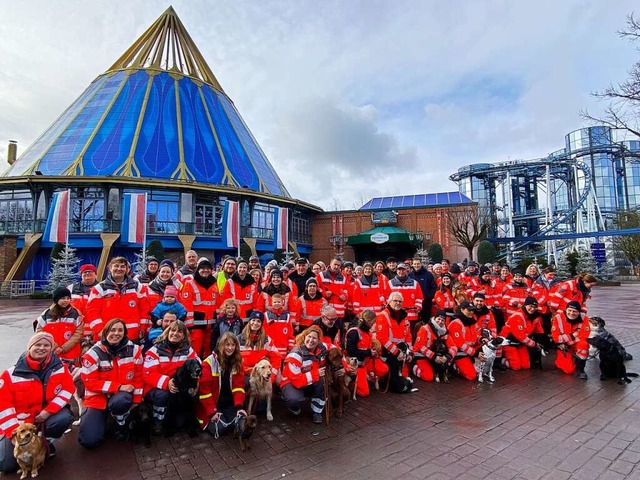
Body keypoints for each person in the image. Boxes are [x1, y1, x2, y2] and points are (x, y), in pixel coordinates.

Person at [0, 333, 75, 472]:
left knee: (64, 418)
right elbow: (3, 406)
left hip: (43, 417)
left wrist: (48, 411)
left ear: (51, 348)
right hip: (19, 423)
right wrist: (14, 434)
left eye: (46, 345)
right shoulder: (10, 374)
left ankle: (46, 444)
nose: (42, 348)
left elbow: (68, 389)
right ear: (29, 347)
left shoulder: (60, 368)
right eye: (38, 345)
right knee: (6, 465)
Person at [78, 319, 143, 448]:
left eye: (120, 330)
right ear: (105, 332)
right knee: (89, 441)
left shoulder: (135, 350)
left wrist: (136, 400)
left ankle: (120, 423)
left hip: (120, 397)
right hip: (97, 398)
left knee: (121, 401)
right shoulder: (92, 354)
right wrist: (118, 387)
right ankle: (104, 418)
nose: (116, 333)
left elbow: (138, 377)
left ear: (125, 333)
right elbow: (90, 382)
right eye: (112, 330)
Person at [143, 321, 199, 433]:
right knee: (163, 394)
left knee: (179, 424)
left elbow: (199, 368)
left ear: (184, 335)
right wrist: (167, 383)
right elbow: (148, 373)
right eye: (173, 330)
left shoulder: (188, 351)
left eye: (179, 331)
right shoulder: (155, 350)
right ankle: (157, 422)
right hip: (156, 389)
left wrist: (197, 383)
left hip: (178, 390)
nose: (175, 333)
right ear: (167, 332)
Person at [85, 256, 148, 342]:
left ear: (127, 269)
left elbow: (145, 309)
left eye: (122, 266)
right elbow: (91, 312)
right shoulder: (99, 288)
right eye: (116, 266)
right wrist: (100, 330)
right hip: (106, 336)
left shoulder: (138, 287)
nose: (119, 269)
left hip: (132, 336)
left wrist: (143, 328)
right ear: (110, 268)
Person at [198, 332, 248, 436]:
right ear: (221, 345)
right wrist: (212, 412)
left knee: (241, 421)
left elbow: (238, 387)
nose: (230, 348)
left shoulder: (237, 362)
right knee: (220, 429)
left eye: (233, 345)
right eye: (227, 345)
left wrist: (239, 407)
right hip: (213, 403)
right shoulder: (208, 363)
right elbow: (204, 392)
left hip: (228, 402)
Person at [280, 326, 327, 424]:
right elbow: (296, 380)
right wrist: (316, 374)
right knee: (294, 399)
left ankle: (316, 412)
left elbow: (336, 349)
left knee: (322, 381)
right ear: (304, 337)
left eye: (314, 338)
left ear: (319, 341)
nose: (311, 340)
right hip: (291, 382)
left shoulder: (322, 349)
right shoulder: (295, 354)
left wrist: (344, 367)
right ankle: (294, 407)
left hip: (308, 380)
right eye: (309, 337)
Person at [374, 292, 414, 393]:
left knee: (403, 378)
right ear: (389, 302)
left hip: (401, 352)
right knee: (395, 381)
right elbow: (382, 338)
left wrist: (410, 352)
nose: (398, 303)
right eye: (395, 301)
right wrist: (396, 352)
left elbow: (408, 336)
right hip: (387, 353)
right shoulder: (383, 316)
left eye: (400, 301)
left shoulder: (404, 316)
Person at [181, 258, 221, 359]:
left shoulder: (214, 283)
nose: (205, 270)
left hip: (211, 324)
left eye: (208, 268)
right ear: (198, 269)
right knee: (195, 350)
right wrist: (189, 325)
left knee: (209, 350)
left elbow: (217, 302)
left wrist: (218, 320)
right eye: (202, 268)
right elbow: (187, 305)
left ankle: (207, 370)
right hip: (196, 325)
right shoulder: (190, 283)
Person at [35, 286, 84, 365]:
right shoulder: (47, 314)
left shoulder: (76, 314)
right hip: (50, 353)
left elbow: (78, 334)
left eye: (68, 298)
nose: (66, 301)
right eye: (63, 298)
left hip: (70, 355)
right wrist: (54, 347)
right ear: (56, 299)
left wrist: (63, 348)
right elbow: (39, 331)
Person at [345, 310, 389, 397]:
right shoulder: (354, 332)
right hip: (357, 364)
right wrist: (369, 352)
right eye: (373, 322)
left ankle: (367, 378)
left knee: (383, 369)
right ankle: (353, 383)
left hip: (366, 360)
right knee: (364, 392)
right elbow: (351, 351)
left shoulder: (366, 331)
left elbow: (366, 346)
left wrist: (373, 351)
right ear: (368, 321)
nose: (373, 325)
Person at [499, 297, 544, 371]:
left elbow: (539, 331)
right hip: (509, 343)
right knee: (516, 367)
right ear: (525, 305)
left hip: (521, 344)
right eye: (530, 306)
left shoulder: (534, 316)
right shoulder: (518, 316)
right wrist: (534, 344)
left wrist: (540, 342)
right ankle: (500, 361)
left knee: (526, 366)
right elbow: (520, 336)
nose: (532, 309)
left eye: (534, 307)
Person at [551, 301, 591, 379]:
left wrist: (568, 342)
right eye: (569, 310)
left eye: (575, 311)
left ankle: (581, 369)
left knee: (584, 344)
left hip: (570, 344)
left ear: (579, 312)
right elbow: (556, 338)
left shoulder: (584, 318)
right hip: (563, 347)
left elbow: (583, 336)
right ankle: (560, 361)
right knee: (569, 370)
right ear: (566, 310)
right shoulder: (558, 318)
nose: (571, 313)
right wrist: (572, 336)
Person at [237, 311, 281, 379]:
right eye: (253, 320)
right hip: (243, 374)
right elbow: (234, 361)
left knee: (278, 377)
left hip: (262, 374)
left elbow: (276, 358)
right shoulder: (238, 339)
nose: (255, 323)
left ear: (261, 324)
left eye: (258, 321)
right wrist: (251, 371)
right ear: (249, 321)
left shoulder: (267, 340)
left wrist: (271, 377)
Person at [446, 300, 482, 381]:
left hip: (470, 352)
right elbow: (460, 344)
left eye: (472, 310)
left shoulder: (472, 321)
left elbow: (476, 336)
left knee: (480, 371)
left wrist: (482, 339)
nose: (471, 312)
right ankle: (454, 366)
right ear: (462, 309)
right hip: (459, 353)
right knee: (471, 376)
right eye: (469, 310)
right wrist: (475, 353)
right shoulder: (456, 323)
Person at [412, 311, 453, 382]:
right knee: (428, 377)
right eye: (438, 319)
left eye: (443, 320)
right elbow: (420, 346)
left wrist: (448, 356)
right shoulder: (424, 329)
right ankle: (412, 367)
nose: (440, 321)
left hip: (434, 357)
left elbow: (453, 346)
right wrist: (434, 356)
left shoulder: (444, 332)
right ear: (434, 318)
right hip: (421, 356)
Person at [262, 294, 295, 361]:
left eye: (279, 302)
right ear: (271, 303)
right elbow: (263, 332)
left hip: (283, 349)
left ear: (282, 302)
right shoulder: (266, 315)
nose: (277, 304)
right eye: (275, 302)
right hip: (270, 348)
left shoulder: (287, 316)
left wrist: (290, 348)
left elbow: (290, 334)